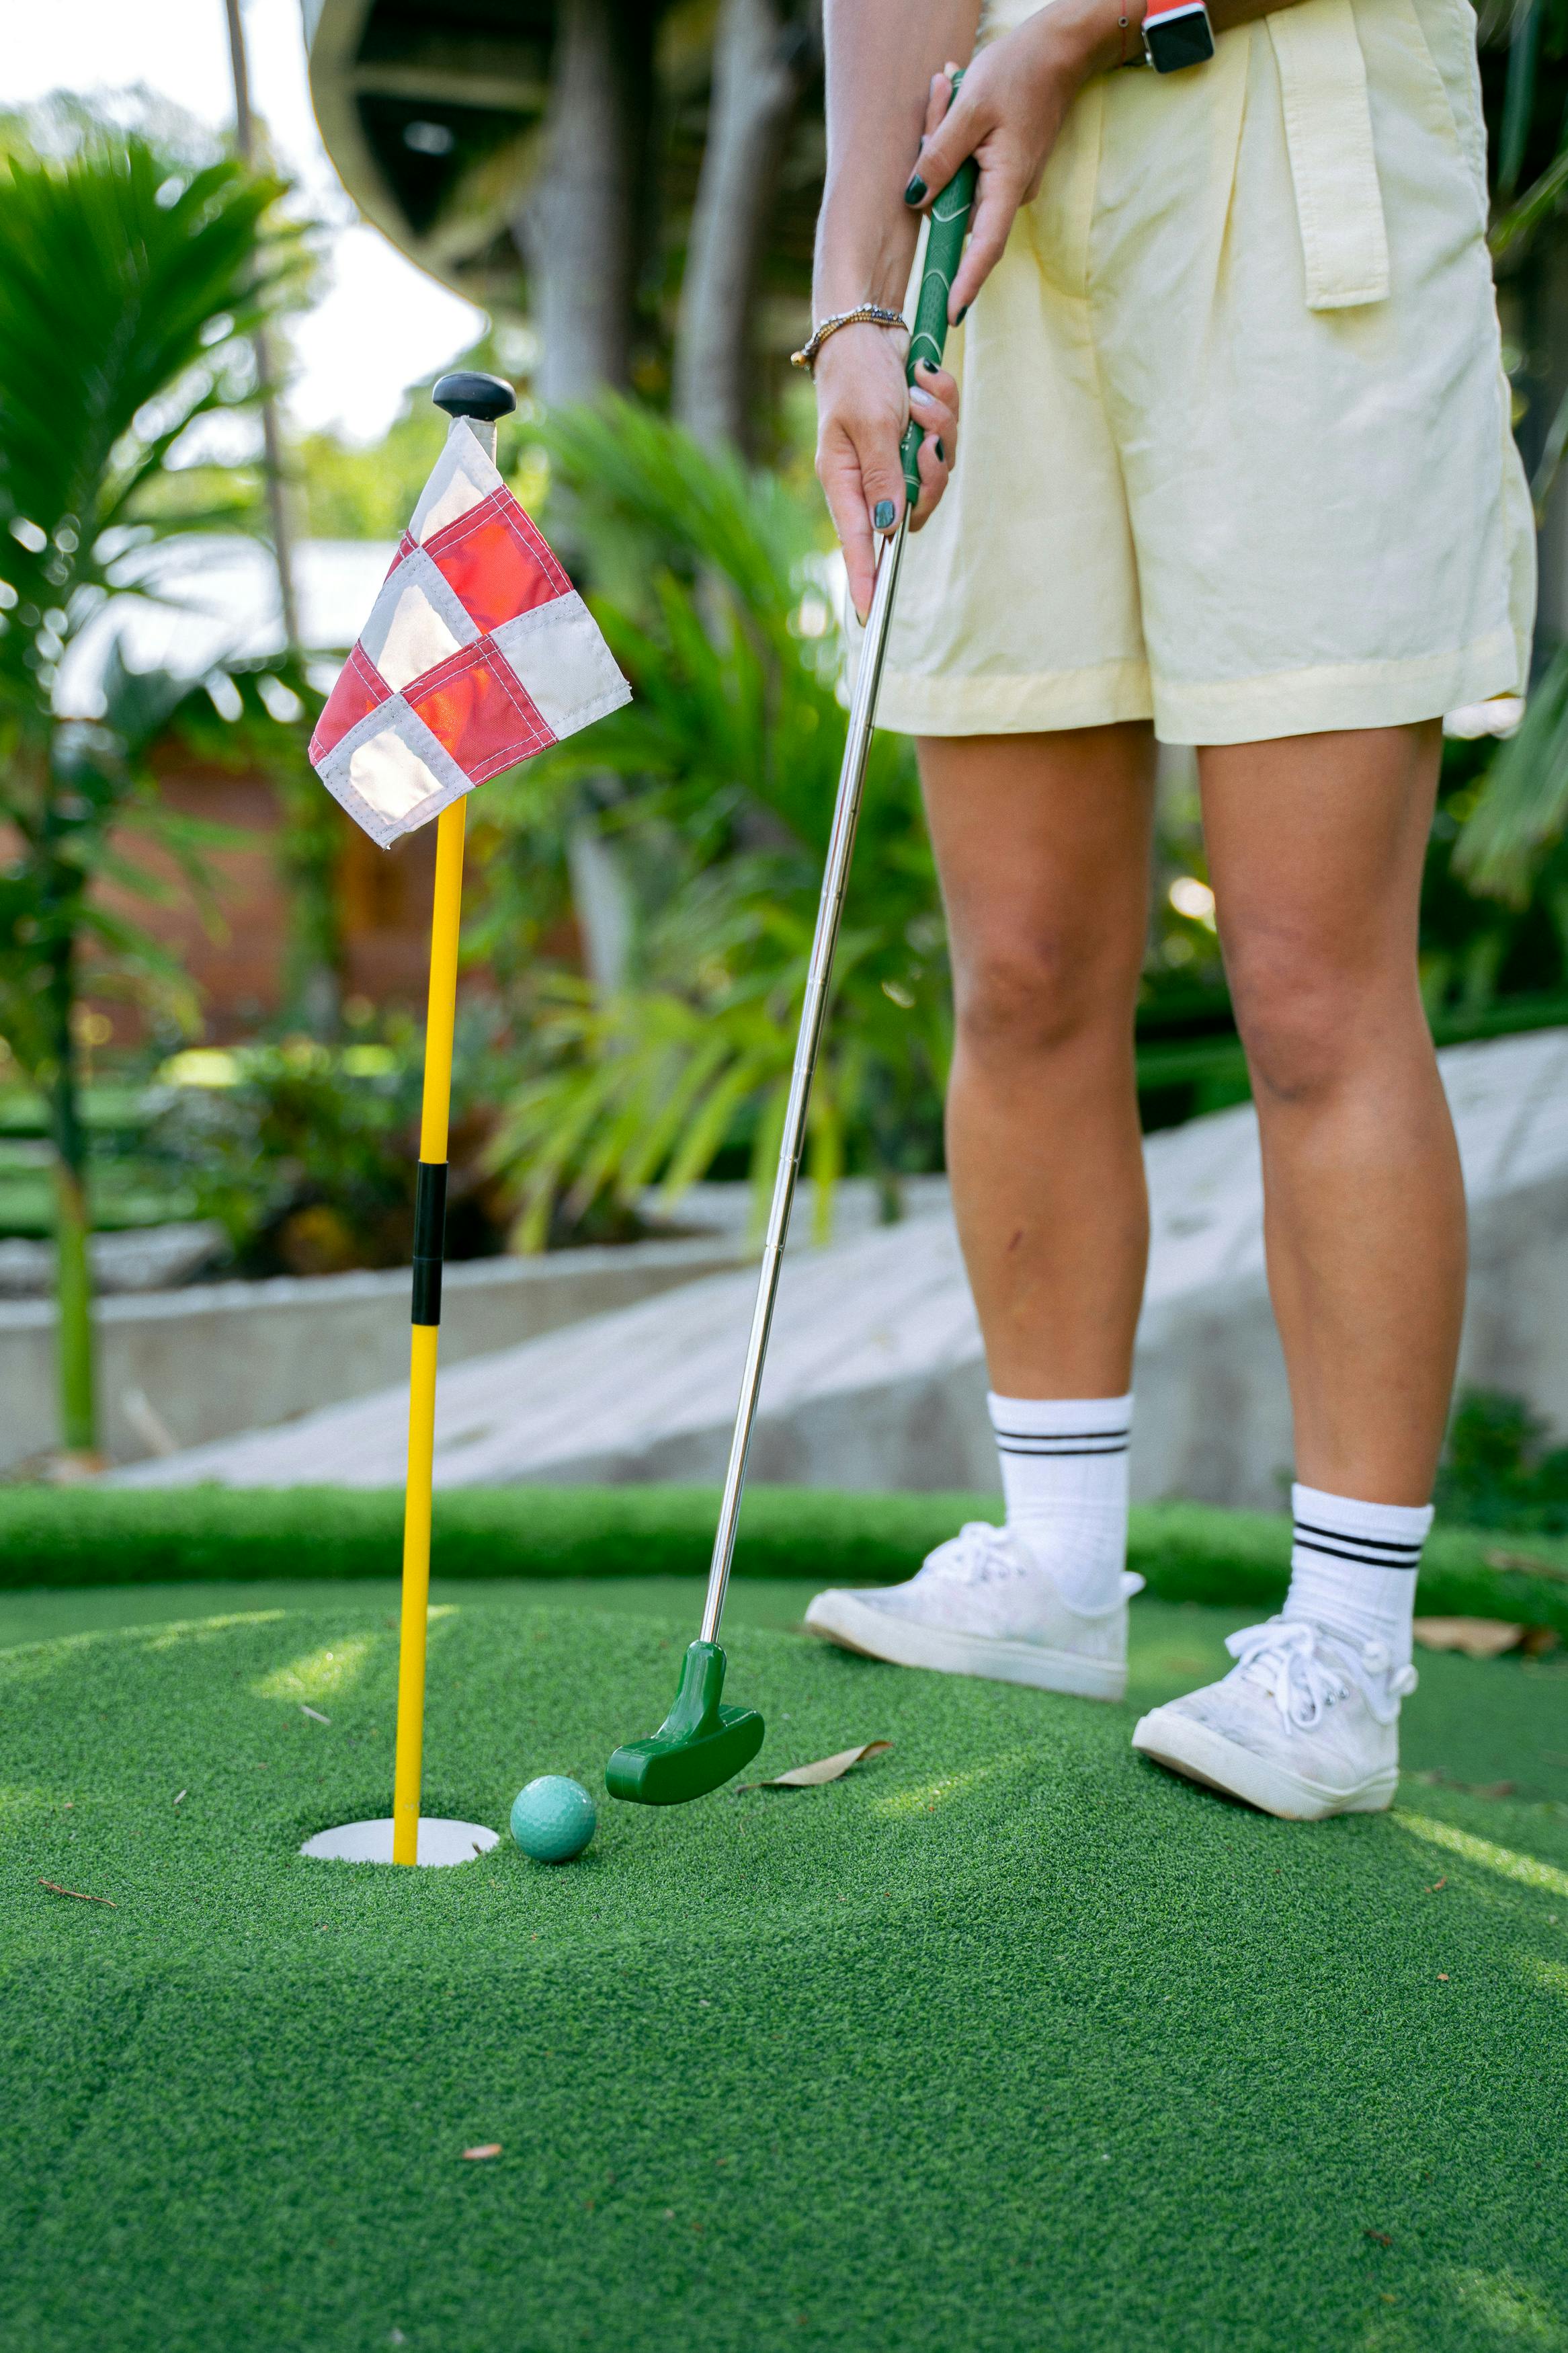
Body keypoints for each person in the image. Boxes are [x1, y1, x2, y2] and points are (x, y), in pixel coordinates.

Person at [799, 0, 1534, 1818]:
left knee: (1309, 980)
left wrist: (1075, 31)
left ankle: (1346, 1653)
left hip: (1285, 126)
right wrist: (850, 296)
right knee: (1023, 967)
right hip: (983, 202)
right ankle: (1055, 1567)